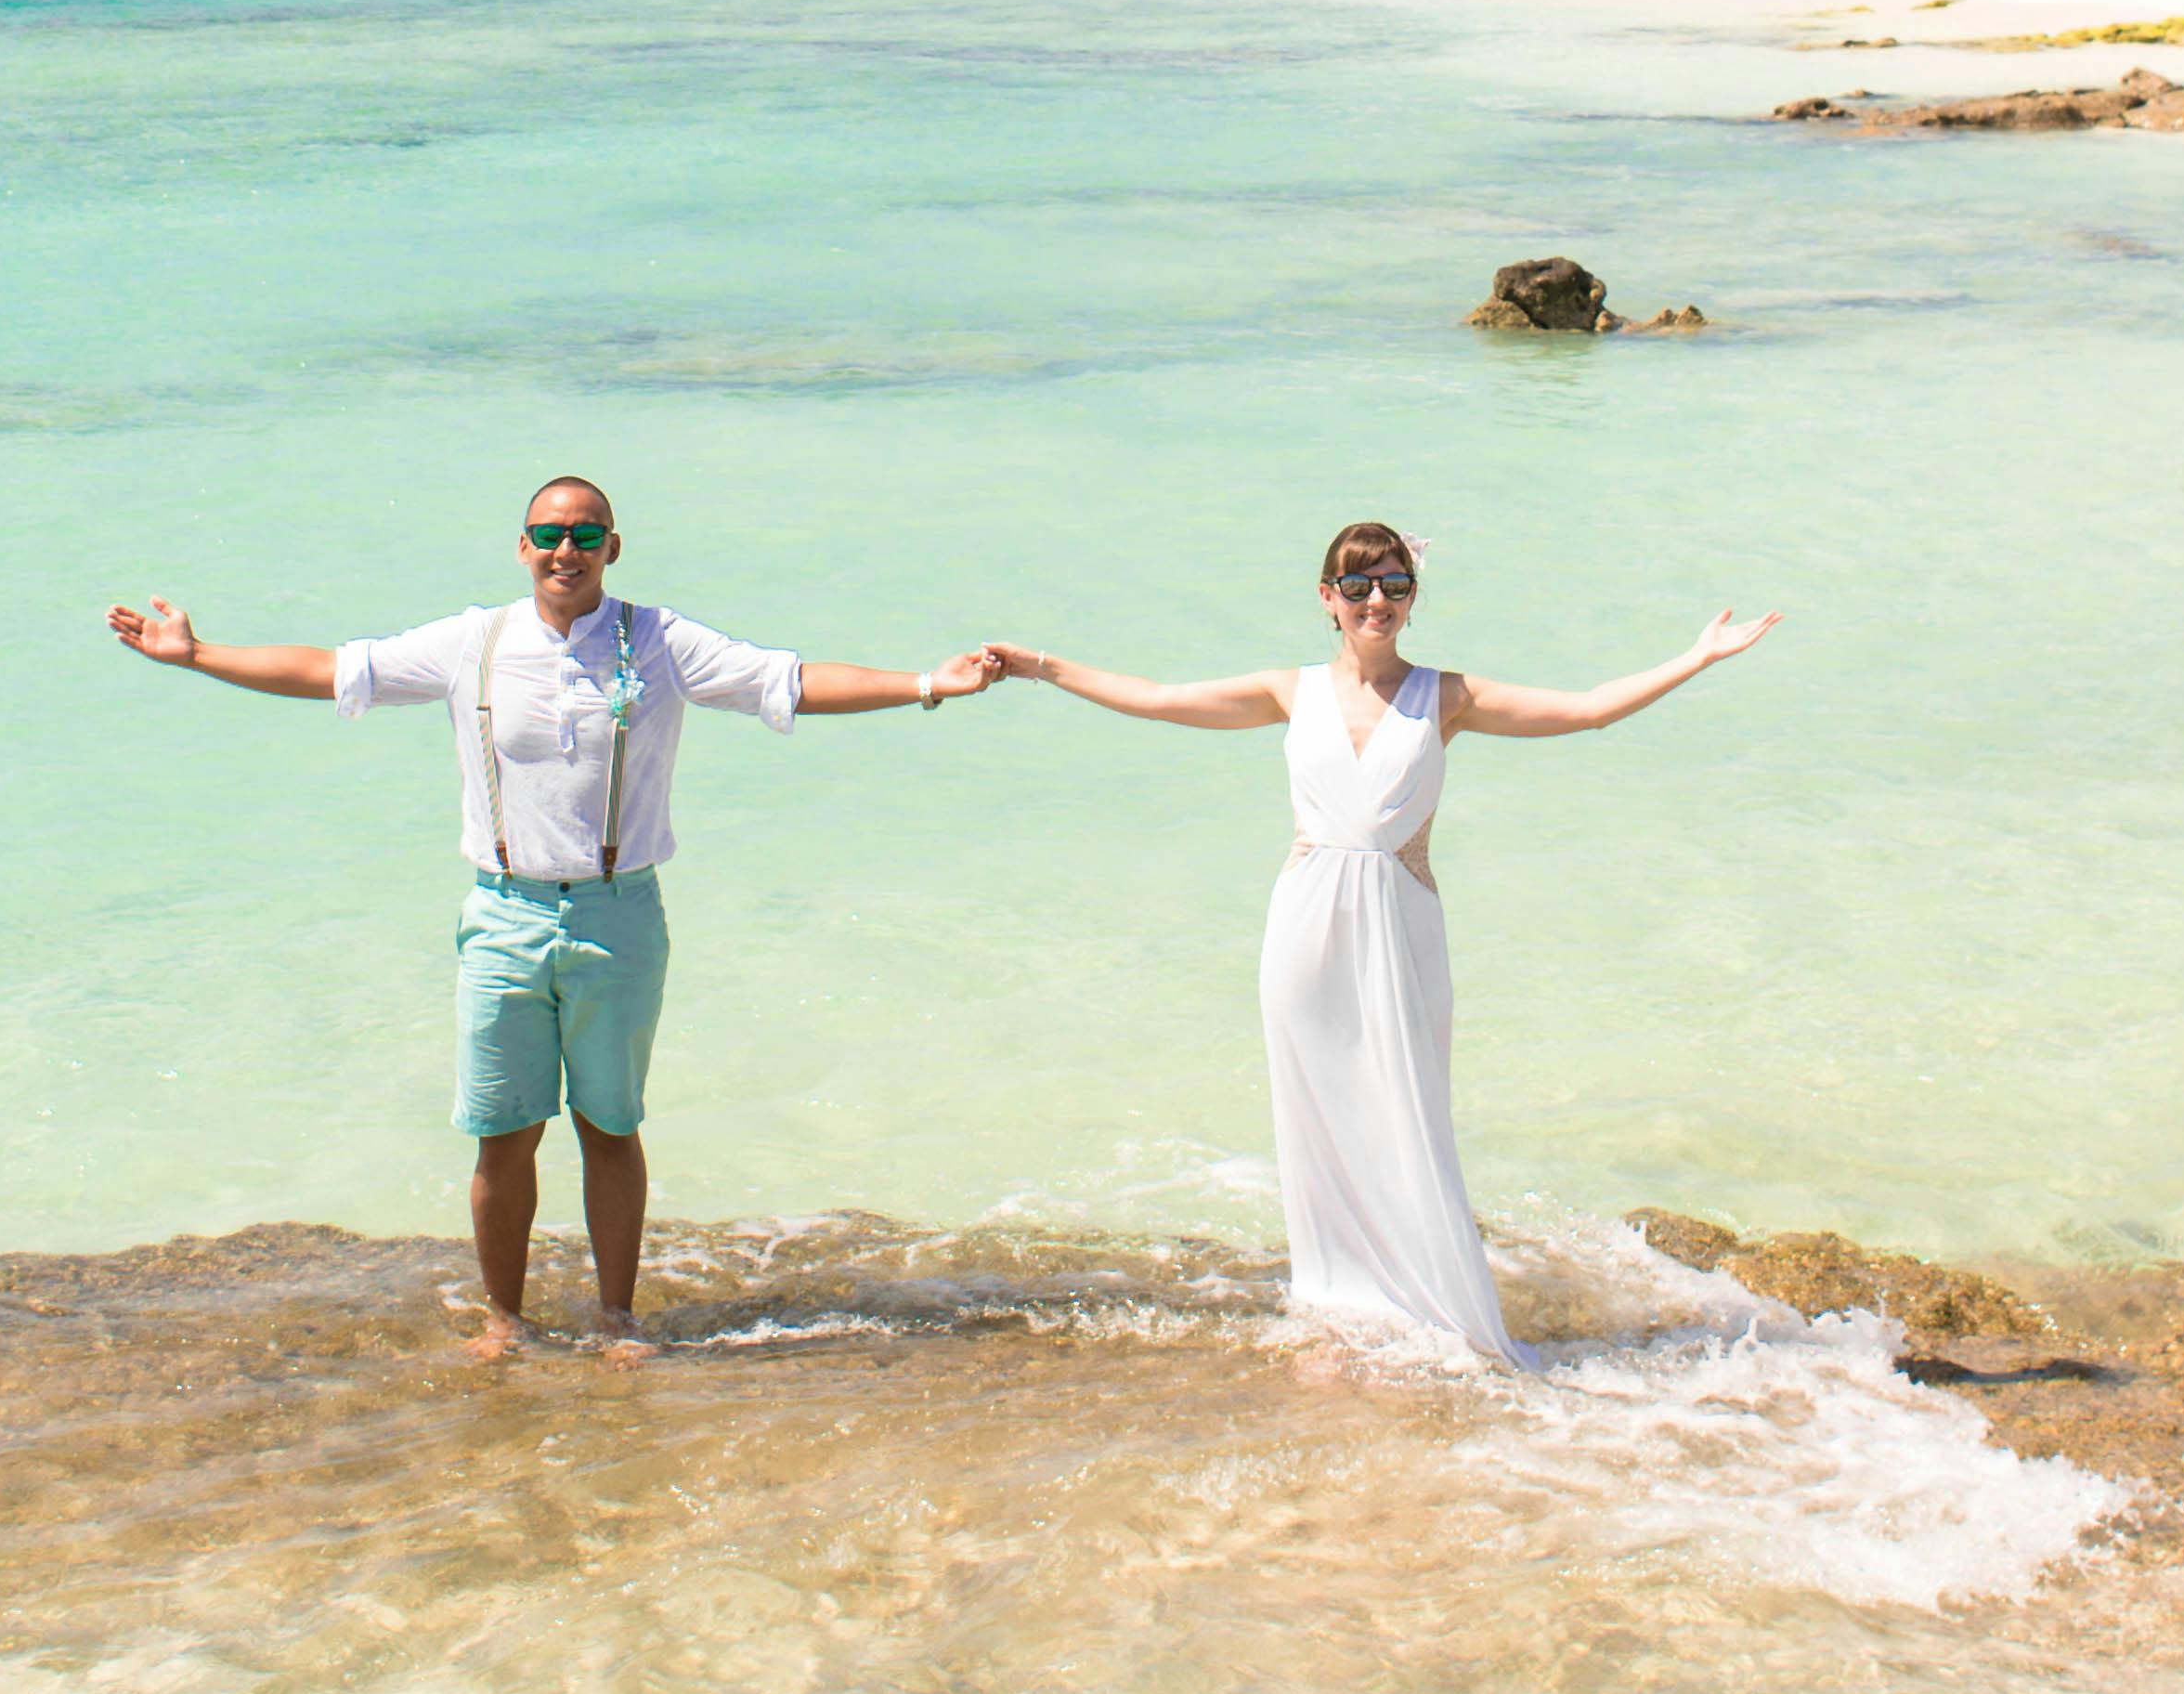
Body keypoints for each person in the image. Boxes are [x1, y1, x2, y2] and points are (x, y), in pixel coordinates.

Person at [109, 478, 981, 1362]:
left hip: (620, 916)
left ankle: (616, 1318)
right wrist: (196, 654)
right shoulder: (471, 643)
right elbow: (331, 670)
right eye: (549, 533)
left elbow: (788, 681)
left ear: (613, 546)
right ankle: (504, 1320)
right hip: (502, 916)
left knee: (610, 1126)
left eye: (585, 533)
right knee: (504, 1133)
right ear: (522, 546)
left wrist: (926, 684)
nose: (567, 549)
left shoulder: (662, 642)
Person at [960, 530, 1776, 1369]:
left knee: (1408, 1114)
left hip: (1403, 926)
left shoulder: (1446, 696)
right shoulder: (1291, 690)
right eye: (1358, 587)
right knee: (1318, 1121)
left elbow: (1590, 706)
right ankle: (1342, 1305)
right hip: (1305, 929)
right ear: (1327, 598)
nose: (1376, 602)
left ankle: (1432, 1306)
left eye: (1394, 584)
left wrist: (1698, 657)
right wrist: (1041, 666)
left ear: (1414, 595)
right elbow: (1160, 696)